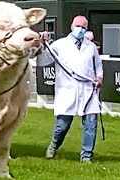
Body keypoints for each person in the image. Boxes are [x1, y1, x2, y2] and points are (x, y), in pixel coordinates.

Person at [44, 15, 103, 163]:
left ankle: (86, 156)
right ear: (71, 26)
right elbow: (43, 60)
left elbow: (98, 65)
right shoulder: (59, 45)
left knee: (91, 123)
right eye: (78, 26)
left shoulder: (90, 47)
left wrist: (99, 78)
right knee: (62, 125)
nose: (80, 29)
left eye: (83, 27)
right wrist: (42, 44)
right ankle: (54, 146)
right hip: (67, 89)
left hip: (88, 89)